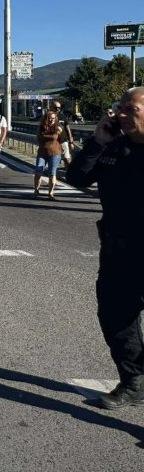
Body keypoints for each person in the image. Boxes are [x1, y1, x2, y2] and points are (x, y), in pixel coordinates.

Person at [66, 87, 144, 409]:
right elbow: (77, 178)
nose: (121, 113)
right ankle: (134, 382)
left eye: (131, 108)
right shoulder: (114, 146)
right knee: (114, 314)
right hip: (119, 250)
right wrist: (97, 141)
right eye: (120, 107)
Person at [34, 110, 62, 200]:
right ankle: (36, 190)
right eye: (50, 119)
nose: (51, 120)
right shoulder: (41, 128)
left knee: (52, 173)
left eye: (53, 119)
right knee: (38, 171)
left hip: (55, 153)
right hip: (42, 152)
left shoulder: (58, 128)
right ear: (46, 119)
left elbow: (62, 139)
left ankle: (51, 193)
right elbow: (38, 138)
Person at [53, 100, 75, 166]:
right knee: (54, 161)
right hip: (53, 142)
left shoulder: (63, 116)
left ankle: (69, 174)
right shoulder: (48, 117)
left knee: (67, 159)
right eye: (56, 107)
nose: (57, 109)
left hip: (63, 141)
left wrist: (71, 142)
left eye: (59, 107)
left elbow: (68, 130)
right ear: (51, 107)